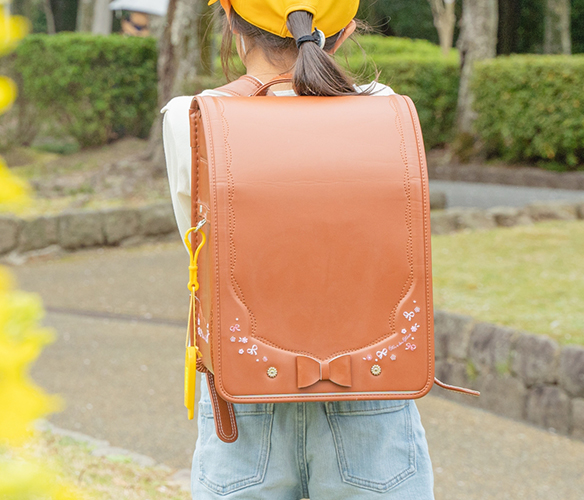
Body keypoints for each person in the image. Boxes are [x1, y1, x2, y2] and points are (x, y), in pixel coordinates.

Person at [160, 1, 435, 498]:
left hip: (244, 388)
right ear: (344, 32)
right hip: (371, 378)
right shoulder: (387, 107)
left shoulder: (191, 117)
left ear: (231, 25)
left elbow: (197, 241)